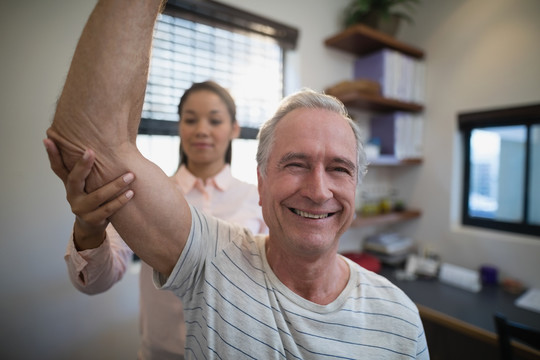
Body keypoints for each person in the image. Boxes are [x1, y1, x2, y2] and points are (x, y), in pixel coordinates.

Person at [46, 0, 429, 358]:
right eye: (295, 164)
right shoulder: (213, 249)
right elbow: (91, 144)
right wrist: (90, 225)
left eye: (339, 168)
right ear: (263, 181)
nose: (317, 191)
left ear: (233, 130)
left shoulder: (402, 320)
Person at [44, 80, 267, 359]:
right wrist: (89, 227)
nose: (201, 130)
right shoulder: (146, 194)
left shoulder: (258, 198)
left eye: (215, 120)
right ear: (179, 126)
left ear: (234, 129)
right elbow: (93, 281)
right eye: (190, 119)